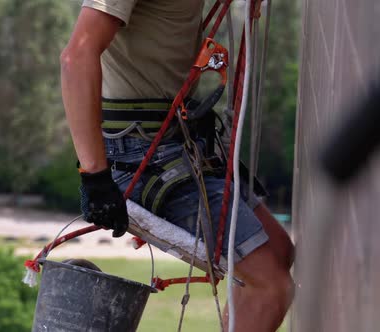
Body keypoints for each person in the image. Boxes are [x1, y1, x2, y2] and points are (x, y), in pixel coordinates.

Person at [60, 1, 294, 331]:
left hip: (174, 142)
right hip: (142, 155)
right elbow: (76, 56)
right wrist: (95, 177)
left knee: (279, 252)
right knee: (269, 286)